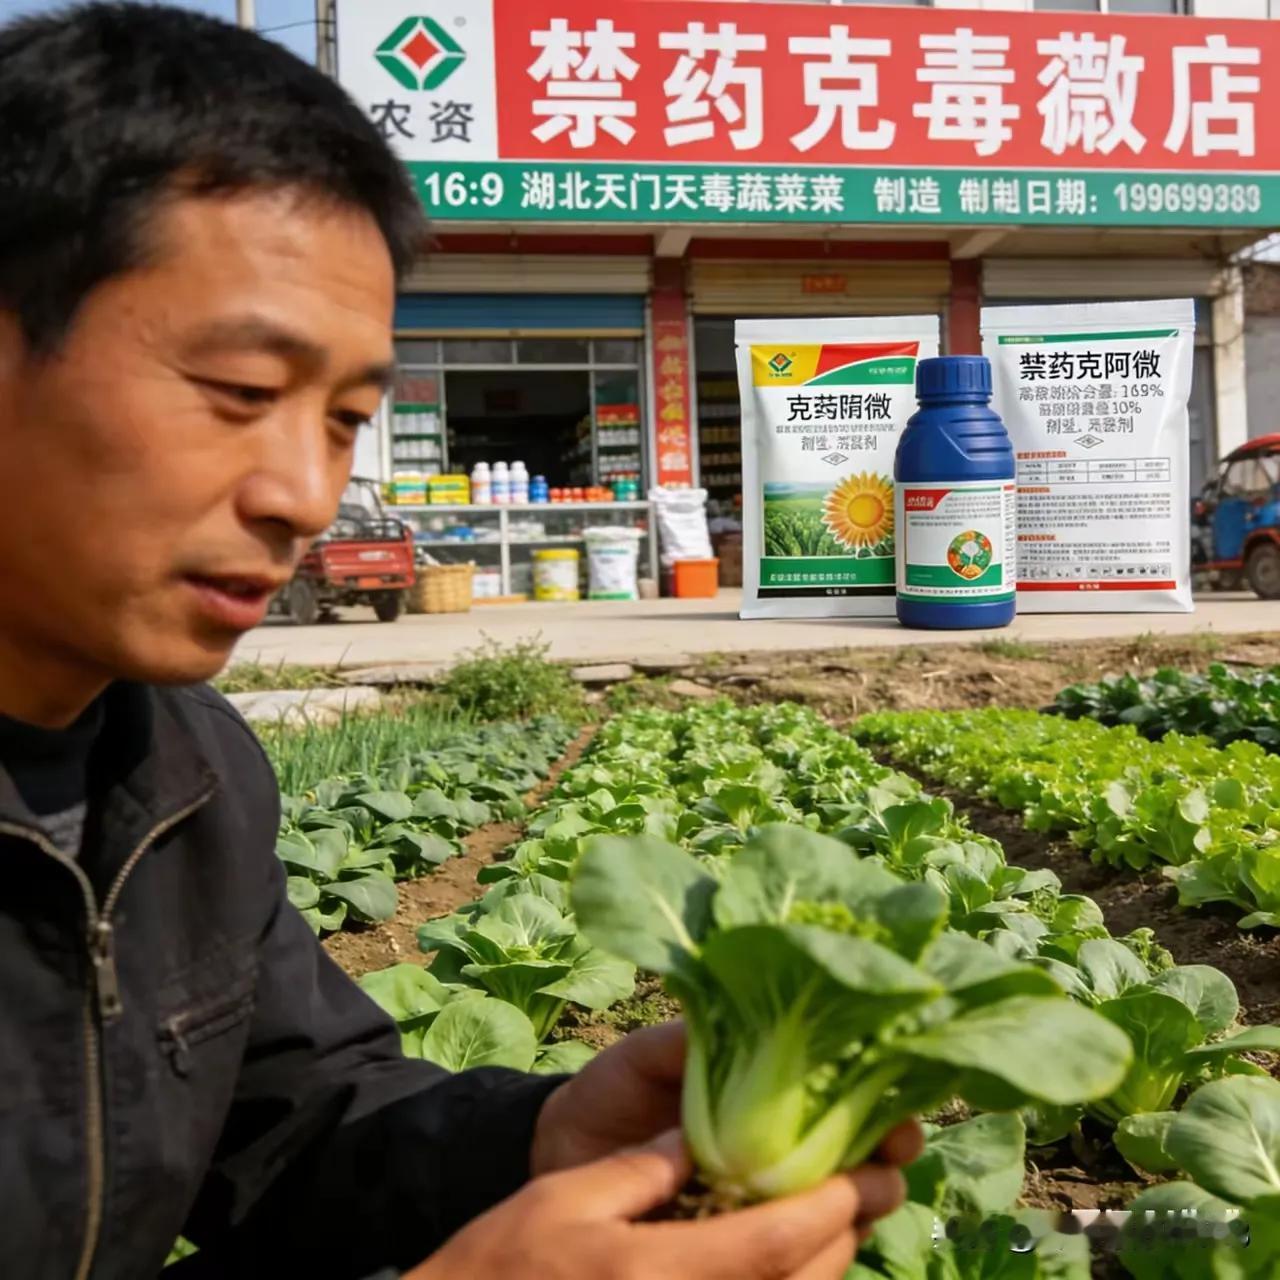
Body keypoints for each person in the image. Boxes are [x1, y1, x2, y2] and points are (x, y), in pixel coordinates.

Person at [0, 6, 922, 1278]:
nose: (304, 494)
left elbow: (294, 1127)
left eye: (346, 417)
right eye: (242, 393)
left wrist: (534, 1138)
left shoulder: (183, 774)